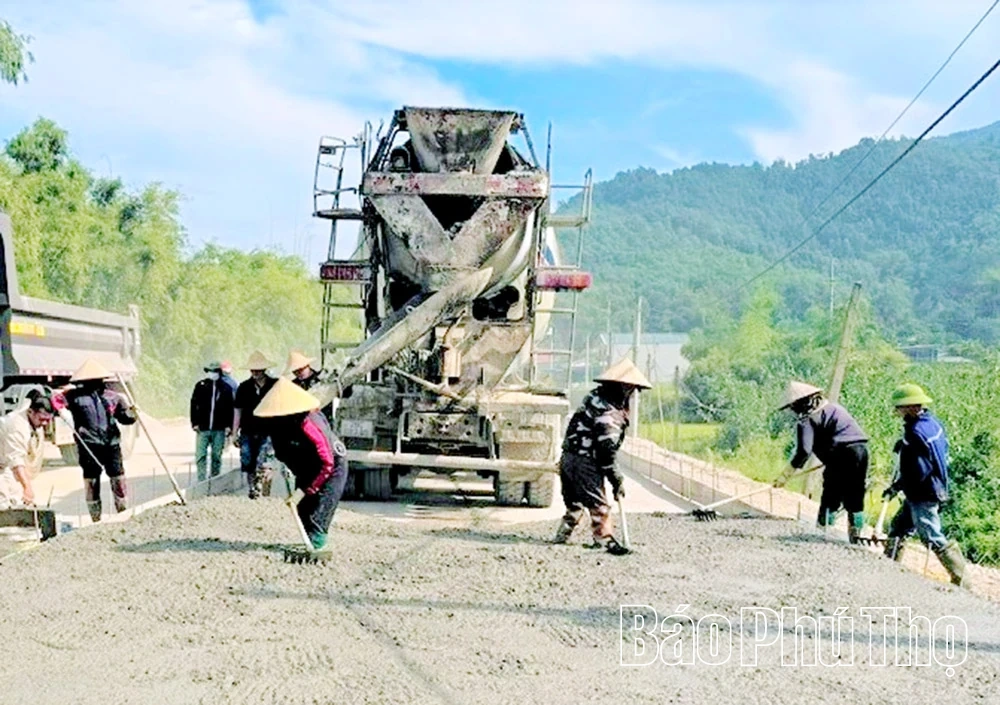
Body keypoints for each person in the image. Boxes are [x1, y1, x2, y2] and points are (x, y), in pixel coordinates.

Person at [553, 358, 651, 547]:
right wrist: (616, 479)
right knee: (599, 505)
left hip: (568, 457)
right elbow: (606, 450)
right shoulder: (609, 412)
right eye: (631, 390)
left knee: (575, 503)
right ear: (624, 388)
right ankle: (604, 539)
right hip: (585, 461)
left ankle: (562, 535)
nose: (632, 395)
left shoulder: (593, 398)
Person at [882, 383, 966, 586]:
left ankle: (961, 580)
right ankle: (886, 568)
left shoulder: (915, 432)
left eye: (900, 407)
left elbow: (918, 471)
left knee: (931, 534)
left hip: (923, 491)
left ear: (911, 407)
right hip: (934, 485)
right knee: (899, 527)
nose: (898, 411)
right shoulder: (933, 423)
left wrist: (897, 486)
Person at [254, 378, 348, 551]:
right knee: (303, 511)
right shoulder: (277, 428)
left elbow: (327, 463)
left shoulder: (309, 424)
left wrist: (308, 489)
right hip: (307, 467)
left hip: (332, 468)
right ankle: (309, 541)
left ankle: (317, 546)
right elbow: (280, 454)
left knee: (318, 515)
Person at [778, 381, 870, 543]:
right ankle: (856, 537)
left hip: (840, 455)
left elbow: (803, 452)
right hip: (861, 452)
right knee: (855, 493)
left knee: (831, 493)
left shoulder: (807, 420)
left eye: (793, 406)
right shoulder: (835, 409)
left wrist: (784, 476)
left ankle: (822, 535)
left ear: (801, 403)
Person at [55, 359, 138, 522]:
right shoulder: (73, 396)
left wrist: (132, 414)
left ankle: (122, 511)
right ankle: (96, 517)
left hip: (111, 444)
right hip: (88, 445)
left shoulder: (113, 397)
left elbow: (125, 418)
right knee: (91, 479)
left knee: (118, 476)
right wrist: (60, 407)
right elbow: (55, 400)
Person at [232, 351, 277, 499]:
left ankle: (265, 492)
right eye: (253, 370)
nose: (255, 372)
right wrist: (234, 433)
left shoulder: (274, 385)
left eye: (258, 369)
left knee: (264, 463)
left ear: (264, 369)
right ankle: (252, 490)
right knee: (248, 461)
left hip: (269, 430)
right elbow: (237, 411)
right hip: (248, 430)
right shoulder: (244, 387)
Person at [0, 395, 53, 509]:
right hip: (4, 463)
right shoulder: (17, 426)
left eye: (47, 420)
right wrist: (27, 487)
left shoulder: (31, 419)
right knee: (3, 502)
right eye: (41, 419)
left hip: (4, 465)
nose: (44, 424)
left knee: (17, 498)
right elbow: (16, 460)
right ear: (30, 412)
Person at [190, 361, 235, 481]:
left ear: (219, 372)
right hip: (203, 428)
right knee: (201, 455)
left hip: (219, 429)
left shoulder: (226, 388)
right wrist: (194, 423)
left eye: (214, 371)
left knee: (216, 455)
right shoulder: (200, 386)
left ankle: (214, 478)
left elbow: (230, 409)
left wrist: (229, 426)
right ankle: (201, 480)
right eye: (210, 371)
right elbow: (194, 405)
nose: (212, 374)